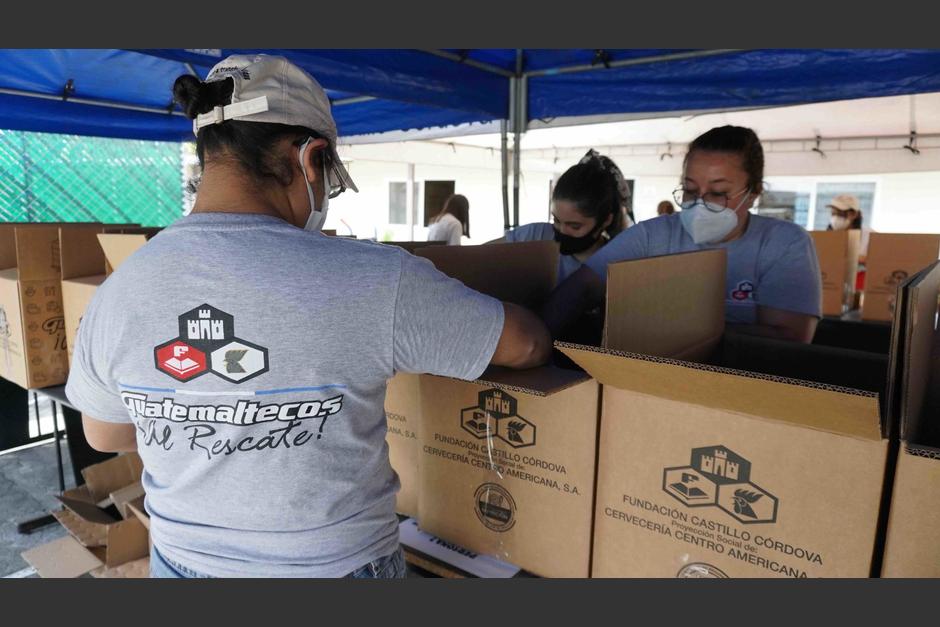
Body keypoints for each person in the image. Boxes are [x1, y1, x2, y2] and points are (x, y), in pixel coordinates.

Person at [64, 54, 551, 579]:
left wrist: (202, 419)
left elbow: (105, 435)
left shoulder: (119, 291)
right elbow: (525, 344)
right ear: (309, 158)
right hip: (335, 568)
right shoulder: (376, 280)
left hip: (179, 564)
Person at [541, 125, 822, 344]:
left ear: (753, 193)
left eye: (718, 193)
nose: (700, 203)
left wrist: (673, 328)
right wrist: (537, 340)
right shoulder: (655, 236)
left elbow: (789, 337)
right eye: (689, 189)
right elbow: (583, 287)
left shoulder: (783, 243)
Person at [493, 149, 631, 285]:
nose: (562, 231)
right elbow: (477, 259)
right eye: (556, 220)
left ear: (605, 220)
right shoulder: (535, 236)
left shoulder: (616, 266)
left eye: (575, 226)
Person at [826, 193, 872, 263]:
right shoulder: (827, 236)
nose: (835, 218)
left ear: (854, 214)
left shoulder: (869, 236)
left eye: (840, 214)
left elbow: (878, 261)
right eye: (833, 214)